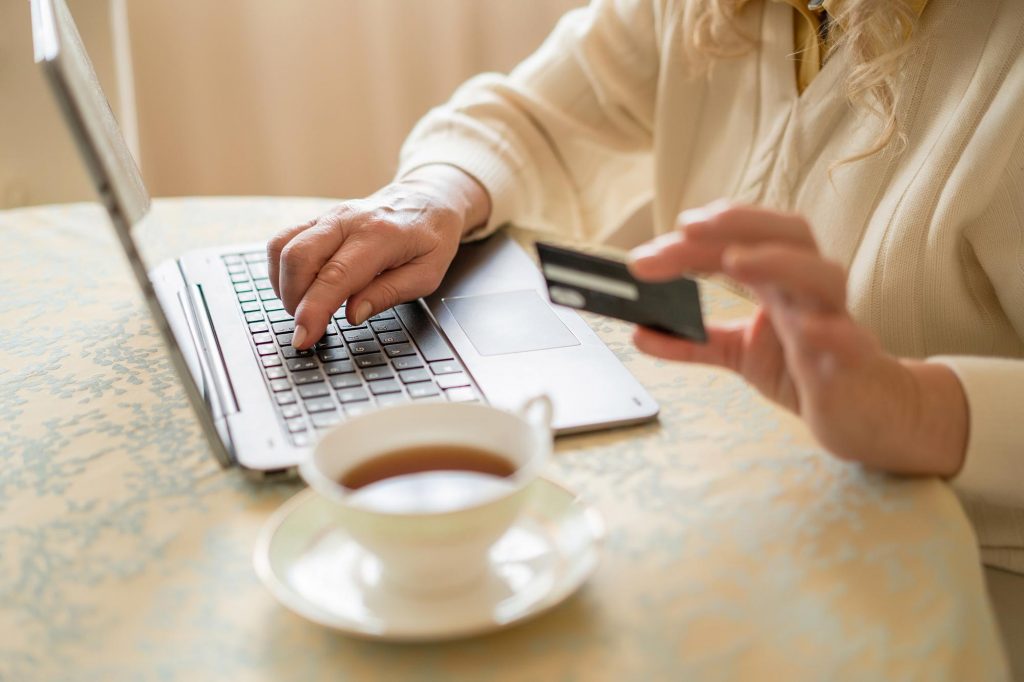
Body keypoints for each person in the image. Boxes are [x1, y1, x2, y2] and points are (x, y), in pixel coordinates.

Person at [267, 0, 1024, 575]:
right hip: (722, 507)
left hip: (964, 577)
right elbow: (537, 119)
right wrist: (436, 194)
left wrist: (911, 409)